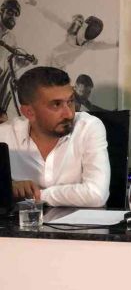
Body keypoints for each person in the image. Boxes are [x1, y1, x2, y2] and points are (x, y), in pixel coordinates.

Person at [0, 66, 110, 207]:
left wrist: (34, 195)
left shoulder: (88, 127)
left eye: (70, 101)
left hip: (79, 222)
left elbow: (96, 194)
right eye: (56, 105)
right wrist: (8, 187)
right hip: (20, 221)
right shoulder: (4, 134)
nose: (69, 114)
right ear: (29, 112)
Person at [22, 0, 116, 70]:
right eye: (92, 29)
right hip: (49, 60)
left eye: (94, 32)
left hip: (60, 68)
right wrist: (36, 4)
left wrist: (119, 43)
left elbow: (103, 44)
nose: (92, 33)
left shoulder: (88, 44)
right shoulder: (72, 29)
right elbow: (54, 17)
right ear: (84, 25)